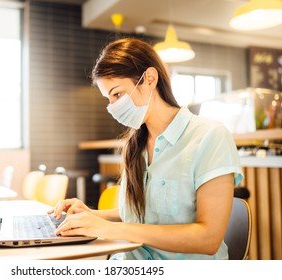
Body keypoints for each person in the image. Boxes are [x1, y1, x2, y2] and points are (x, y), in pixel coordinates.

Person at [49, 37, 244, 260]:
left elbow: (208, 238)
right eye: (109, 99)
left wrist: (111, 230)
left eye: (117, 94)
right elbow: (136, 217)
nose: (113, 107)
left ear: (149, 79)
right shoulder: (135, 146)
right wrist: (90, 216)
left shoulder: (210, 136)